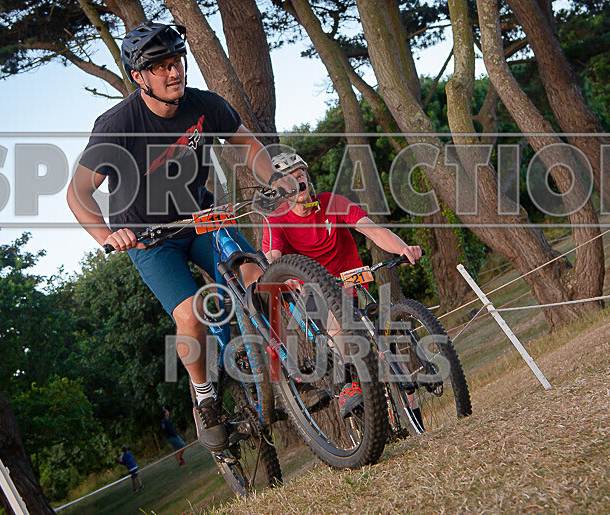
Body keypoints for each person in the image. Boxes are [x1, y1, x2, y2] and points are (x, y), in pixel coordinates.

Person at [67, 21, 292, 453]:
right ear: (139, 77)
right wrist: (108, 234)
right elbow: (77, 193)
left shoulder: (206, 105)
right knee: (189, 315)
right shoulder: (117, 125)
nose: (174, 73)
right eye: (161, 67)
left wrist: (274, 177)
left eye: (177, 62)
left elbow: (247, 145)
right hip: (151, 240)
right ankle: (206, 396)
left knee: (259, 277)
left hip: (201, 218)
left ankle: (285, 363)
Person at [261, 152, 424, 419]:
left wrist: (403, 249)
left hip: (350, 282)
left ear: (307, 178)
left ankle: (415, 419)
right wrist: (281, 277)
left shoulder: (332, 202)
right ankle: (347, 384)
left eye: (299, 176)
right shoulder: (275, 220)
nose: (296, 184)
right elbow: (272, 259)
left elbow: (371, 229)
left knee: (384, 348)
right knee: (338, 322)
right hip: (309, 293)